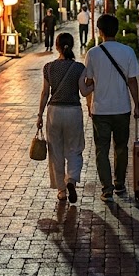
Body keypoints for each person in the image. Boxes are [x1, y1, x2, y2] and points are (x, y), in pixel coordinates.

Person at [80, 13, 139, 200]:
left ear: (100, 31)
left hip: (101, 111)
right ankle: (120, 184)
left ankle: (107, 189)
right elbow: (132, 81)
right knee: (121, 147)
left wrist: (89, 104)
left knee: (101, 149)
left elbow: (89, 82)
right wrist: (137, 105)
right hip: (122, 108)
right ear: (116, 30)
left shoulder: (93, 53)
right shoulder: (128, 51)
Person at [36, 32, 88, 203]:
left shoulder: (48, 67)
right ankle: (71, 179)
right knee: (74, 148)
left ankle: (61, 190)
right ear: (71, 46)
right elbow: (83, 91)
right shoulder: (79, 68)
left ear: (57, 46)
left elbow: (45, 93)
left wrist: (39, 115)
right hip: (73, 111)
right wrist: (94, 85)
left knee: (56, 151)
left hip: (54, 112)